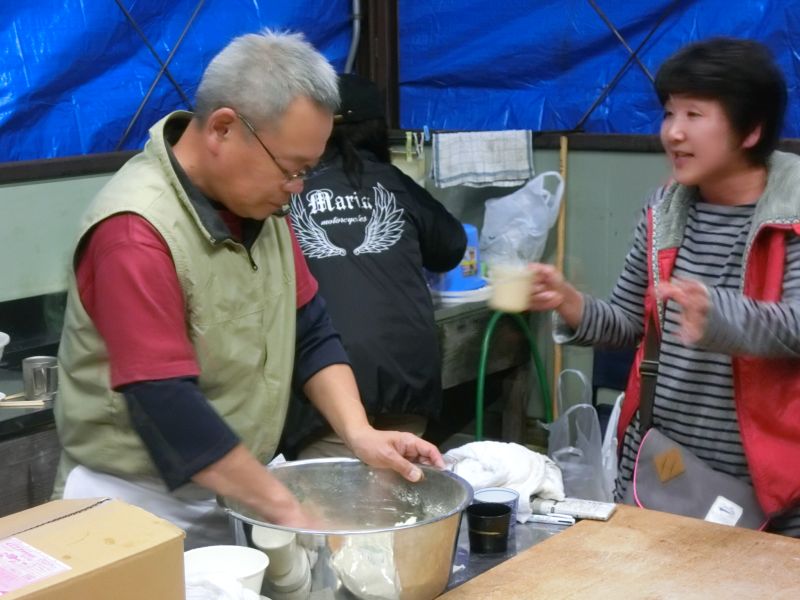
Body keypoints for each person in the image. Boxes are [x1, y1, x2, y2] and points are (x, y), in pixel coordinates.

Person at [52, 30, 444, 549]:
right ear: (223, 128)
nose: (297, 189)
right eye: (290, 169)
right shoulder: (135, 232)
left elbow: (310, 331)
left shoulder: (262, 207)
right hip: (130, 509)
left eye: (306, 171)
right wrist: (286, 509)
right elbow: (165, 405)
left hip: (233, 487)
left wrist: (359, 433)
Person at [528, 37, 800, 535]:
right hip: (664, 467)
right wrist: (569, 303)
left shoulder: (792, 216)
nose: (673, 132)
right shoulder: (664, 211)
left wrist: (719, 316)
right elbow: (628, 325)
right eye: (669, 112)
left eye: (694, 114)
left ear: (751, 129)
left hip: (774, 489)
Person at [282, 74, 467, 458]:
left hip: (321, 395)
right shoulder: (392, 183)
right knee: (393, 488)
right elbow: (451, 248)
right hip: (406, 381)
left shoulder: (284, 189)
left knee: (337, 493)